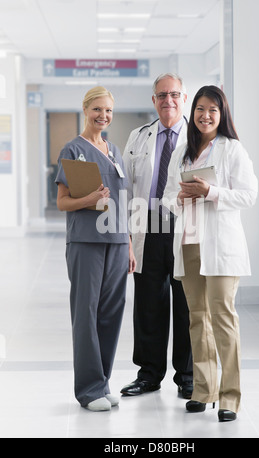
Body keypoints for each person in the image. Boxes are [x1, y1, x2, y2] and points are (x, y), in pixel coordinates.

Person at [163, 85, 258, 422]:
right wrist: (181, 199)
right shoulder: (183, 151)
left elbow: (248, 195)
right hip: (189, 241)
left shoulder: (232, 149)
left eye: (212, 111)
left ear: (222, 115)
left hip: (220, 245)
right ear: (194, 113)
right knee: (197, 317)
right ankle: (204, 390)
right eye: (200, 109)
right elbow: (167, 196)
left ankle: (230, 397)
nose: (205, 116)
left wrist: (211, 192)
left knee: (222, 317)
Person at [55, 86, 136, 412]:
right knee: (86, 315)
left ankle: (102, 382)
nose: (103, 116)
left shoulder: (115, 151)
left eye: (109, 111)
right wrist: (89, 201)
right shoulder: (73, 150)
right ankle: (88, 391)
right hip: (86, 242)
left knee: (111, 314)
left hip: (117, 242)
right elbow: (63, 202)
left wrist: (129, 244)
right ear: (86, 109)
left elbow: (123, 203)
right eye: (97, 109)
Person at [121, 73, 193, 398]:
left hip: (184, 228)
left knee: (186, 303)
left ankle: (188, 377)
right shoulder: (138, 137)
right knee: (148, 304)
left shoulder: (200, 138)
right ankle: (148, 374)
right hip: (147, 227)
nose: (168, 101)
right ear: (154, 100)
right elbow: (124, 190)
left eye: (174, 94)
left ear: (184, 98)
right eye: (162, 95)